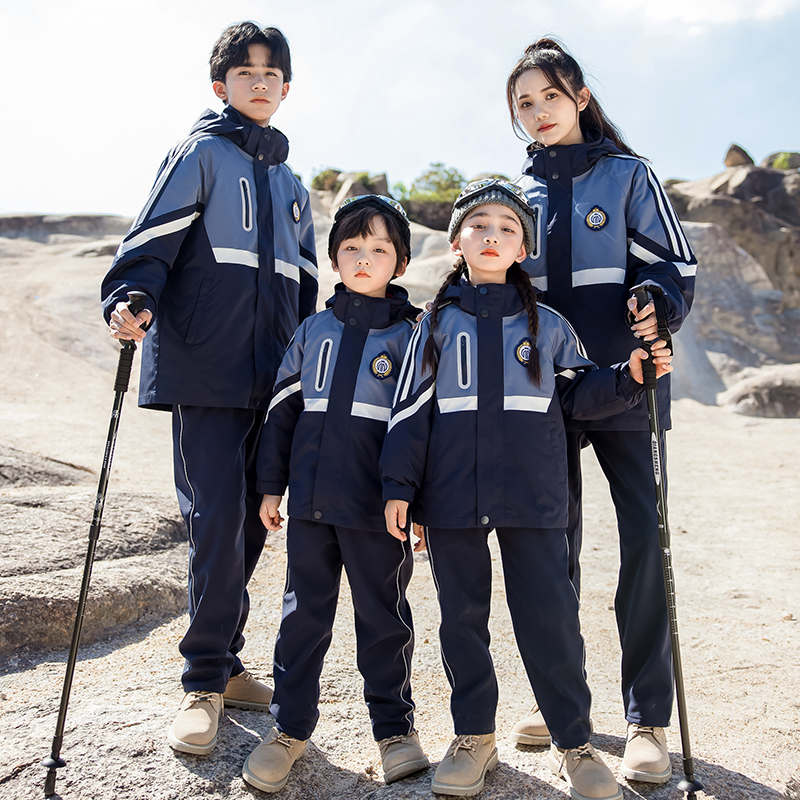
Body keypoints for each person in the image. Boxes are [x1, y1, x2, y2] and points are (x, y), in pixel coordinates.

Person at [381, 180, 673, 800]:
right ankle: (473, 738)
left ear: (523, 248)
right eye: (479, 225)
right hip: (453, 496)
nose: (492, 235)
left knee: (551, 617)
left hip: (536, 494)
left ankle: (574, 742)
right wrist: (399, 486)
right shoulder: (433, 326)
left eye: (508, 228)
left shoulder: (551, 325)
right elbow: (409, 414)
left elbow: (577, 395)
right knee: (461, 619)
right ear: (457, 240)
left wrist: (631, 377)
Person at [101, 22, 317, 755]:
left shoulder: (293, 185)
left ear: (286, 89)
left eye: (271, 74)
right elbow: (150, 243)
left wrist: (312, 371)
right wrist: (130, 297)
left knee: (256, 521)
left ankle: (224, 663)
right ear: (219, 84)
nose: (259, 83)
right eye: (244, 71)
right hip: (206, 368)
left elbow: (310, 286)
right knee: (217, 519)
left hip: (273, 378)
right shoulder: (199, 153)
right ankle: (202, 681)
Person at [504, 38, 697, 784]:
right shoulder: (512, 193)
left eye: (549, 96)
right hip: (546, 392)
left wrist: (658, 302)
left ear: (579, 97)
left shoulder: (628, 175)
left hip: (629, 380)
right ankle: (564, 707)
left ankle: (647, 717)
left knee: (645, 540)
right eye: (524, 103)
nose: (537, 112)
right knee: (552, 549)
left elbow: (672, 267)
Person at [241, 195, 429, 793]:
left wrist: (413, 498)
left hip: (380, 513)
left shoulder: (413, 337)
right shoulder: (313, 330)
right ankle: (289, 729)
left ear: (400, 262)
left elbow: (425, 427)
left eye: (379, 249)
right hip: (312, 509)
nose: (364, 258)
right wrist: (271, 485)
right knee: (303, 618)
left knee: (384, 620)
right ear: (334, 259)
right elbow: (281, 411)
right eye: (351, 248)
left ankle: (395, 731)